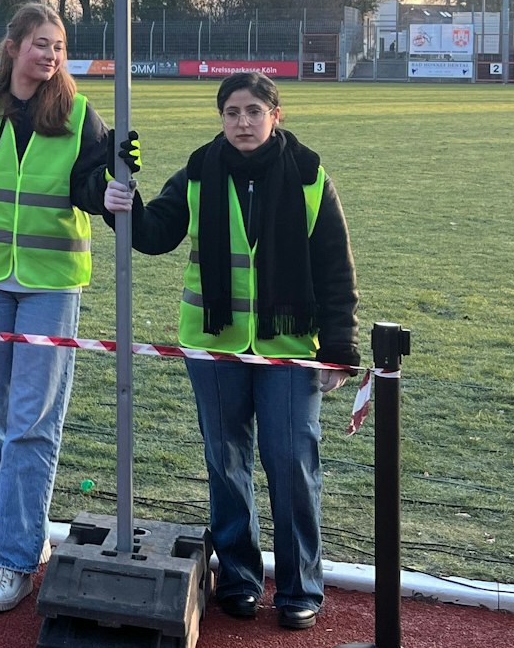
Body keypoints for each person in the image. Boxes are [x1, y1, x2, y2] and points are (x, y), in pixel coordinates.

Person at [106, 72, 359, 631]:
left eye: (253, 111)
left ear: (276, 114)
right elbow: (152, 234)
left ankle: (299, 588)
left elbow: (335, 268)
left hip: (289, 350)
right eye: (231, 113)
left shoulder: (310, 173)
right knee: (226, 464)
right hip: (214, 347)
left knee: (292, 465)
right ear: (221, 118)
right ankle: (240, 579)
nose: (242, 123)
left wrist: (340, 348)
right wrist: (122, 196)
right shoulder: (200, 168)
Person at [0, 3, 116, 613]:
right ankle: (22, 533)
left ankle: (13, 559)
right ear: (12, 48)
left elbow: (90, 190)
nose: (52, 56)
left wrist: (114, 180)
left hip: (51, 283)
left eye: (59, 46)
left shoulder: (81, 117)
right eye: (41, 44)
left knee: (32, 420)